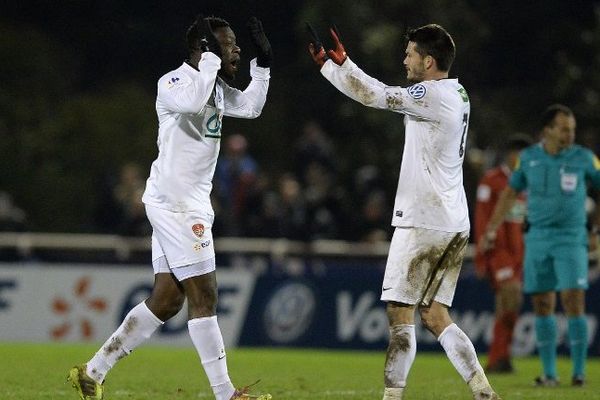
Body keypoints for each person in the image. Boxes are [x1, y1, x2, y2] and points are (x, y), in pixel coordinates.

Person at [67, 14, 272, 400]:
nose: (237, 49)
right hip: (177, 206)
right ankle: (226, 394)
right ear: (204, 49)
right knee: (205, 297)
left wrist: (262, 66)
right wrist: (212, 61)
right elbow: (194, 101)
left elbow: (251, 108)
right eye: (229, 44)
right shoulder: (174, 82)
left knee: (166, 300)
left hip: (182, 203)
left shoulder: (215, 87)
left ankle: (93, 371)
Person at [308, 23, 500, 400]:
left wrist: (337, 66)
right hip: (453, 220)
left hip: (423, 219)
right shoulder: (457, 92)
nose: (405, 58)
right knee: (435, 315)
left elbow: (374, 95)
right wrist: (337, 67)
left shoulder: (428, 94)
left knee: (400, 317)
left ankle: (391, 398)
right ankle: (482, 390)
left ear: (429, 61)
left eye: (410, 53)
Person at [480, 104, 600, 387]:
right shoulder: (530, 159)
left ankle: (579, 372)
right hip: (536, 239)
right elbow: (510, 193)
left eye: (572, 130)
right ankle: (549, 374)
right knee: (542, 304)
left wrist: (596, 227)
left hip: (571, 238)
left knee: (573, 300)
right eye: (564, 129)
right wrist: (492, 228)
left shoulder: (585, 158)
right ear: (548, 131)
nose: (570, 134)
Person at [474, 135, 532, 373]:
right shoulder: (491, 181)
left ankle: (501, 358)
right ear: (512, 155)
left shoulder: (526, 185)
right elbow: (482, 216)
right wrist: (482, 249)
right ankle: (497, 357)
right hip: (498, 250)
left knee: (509, 303)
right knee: (512, 294)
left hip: (519, 251)